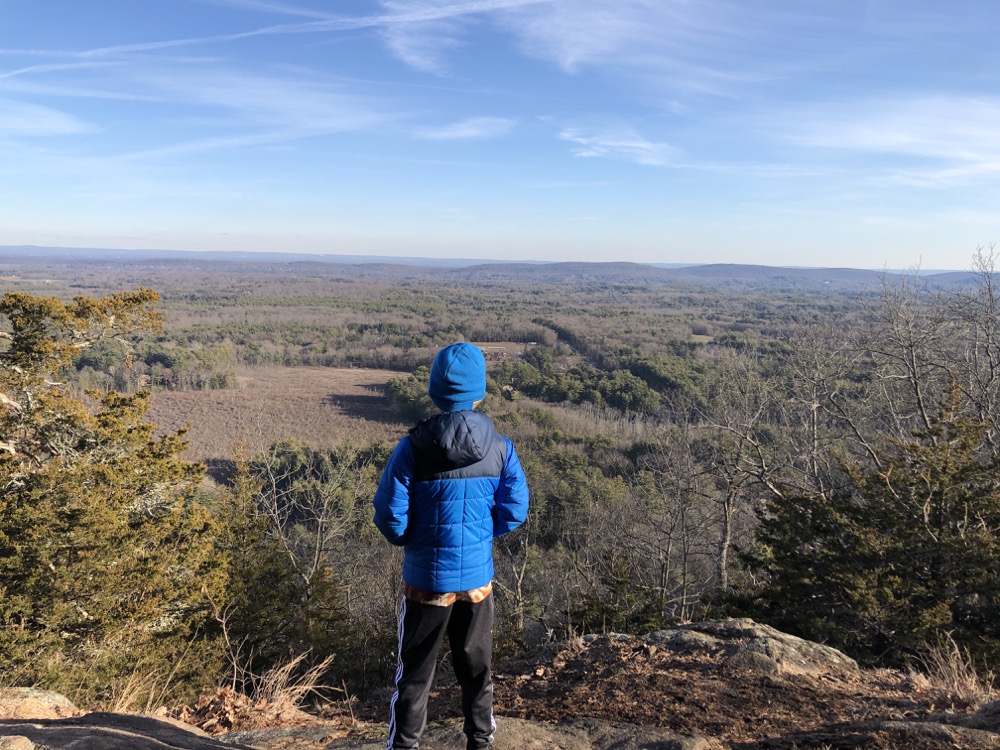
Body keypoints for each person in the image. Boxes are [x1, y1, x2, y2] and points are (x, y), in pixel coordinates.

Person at [373, 342, 530, 750]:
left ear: (435, 391)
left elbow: (390, 516)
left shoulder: (411, 449)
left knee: (414, 676)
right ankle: (480, 741)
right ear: (479, 392)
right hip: (477, 581)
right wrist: (479, 538)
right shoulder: (500, 448)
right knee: (477, 670)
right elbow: (515, 510)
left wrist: (415, 540)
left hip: (426, 582)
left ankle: (404, 746)